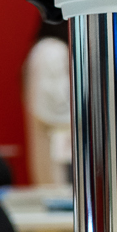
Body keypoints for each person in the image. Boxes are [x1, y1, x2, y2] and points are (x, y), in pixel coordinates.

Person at [23, 15, 71, 188]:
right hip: (57, 146)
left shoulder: (44, 49)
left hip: (54, 143)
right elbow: (54, 107)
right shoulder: (52, 51)